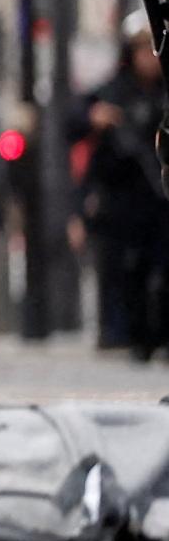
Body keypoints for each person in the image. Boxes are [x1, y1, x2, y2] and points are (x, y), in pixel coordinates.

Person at [73, 21, 169, 360]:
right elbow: (75, 119)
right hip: (123, 195)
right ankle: (132, 336)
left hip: (161, 195)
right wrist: (94, 117)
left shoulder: (162, 91)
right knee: (128, 271)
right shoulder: (116, 90)